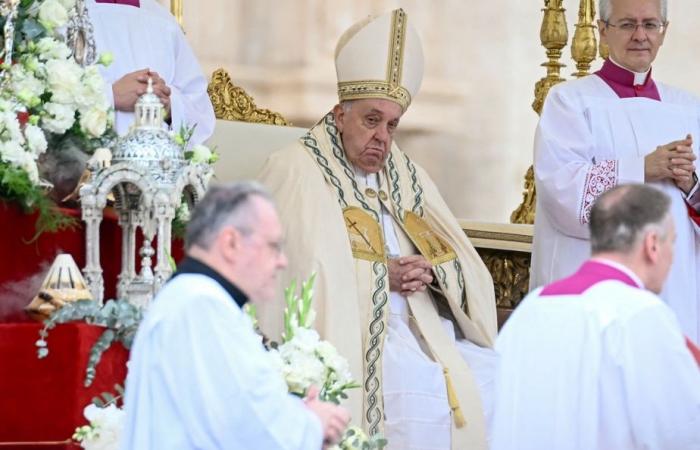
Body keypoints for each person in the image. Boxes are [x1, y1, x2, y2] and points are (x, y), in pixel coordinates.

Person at [257, 9, 498, 450]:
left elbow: (459, 261)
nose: (383, 138)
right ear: (339, 114)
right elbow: (288, 269)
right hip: (355, 333)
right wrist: (379, 275)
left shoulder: (407, 176)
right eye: (371, 120)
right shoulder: (296, 170)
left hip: (423, 327)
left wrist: (433, 271)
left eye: (392, 125)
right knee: (418, 397)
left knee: (499, 380)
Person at [121, 182, 350, 449]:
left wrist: (294, 412)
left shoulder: (197, 300)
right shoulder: (200, 306)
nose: (282, 261)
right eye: (273, 246)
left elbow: (228, 406)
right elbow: (244, 427)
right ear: (231, 243)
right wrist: (313, 424)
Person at [530, 0, 700, 343]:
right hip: (596, 291)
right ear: (603, 31)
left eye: (650, 25)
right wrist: (642, 168)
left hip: (674, 289)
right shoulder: (570, 102)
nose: (640, 36)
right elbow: (562, 193)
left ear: (663, 33)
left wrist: (691, 184)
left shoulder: (689, 108)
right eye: (627, 25)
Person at [493, 184, 700, 450]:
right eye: (672, 242)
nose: (673, 257)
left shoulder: (530, 310)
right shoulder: (639, 313)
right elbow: (682, 429)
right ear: (652, 245)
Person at [85, 0, 215, 144]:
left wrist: (167, 102)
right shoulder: (61, 12)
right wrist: (111, 96)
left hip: (159, 161)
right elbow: (57, 103)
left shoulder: (162, 19)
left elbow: (199, 110)